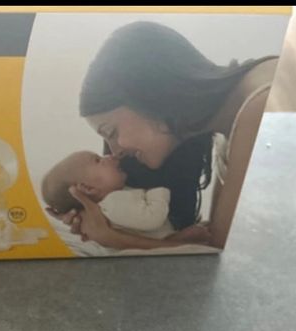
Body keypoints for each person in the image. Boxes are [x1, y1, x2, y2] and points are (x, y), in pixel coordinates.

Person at [50, 21, 278, 251]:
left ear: (148, 97)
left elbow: (221, 250)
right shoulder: (229, 126)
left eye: (111, 132)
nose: (116, 151)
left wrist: (112, 238)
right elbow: (215, 235)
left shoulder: (259, 108)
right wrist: (109, 219)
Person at [41, 150, 173, 238]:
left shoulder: (114, 198)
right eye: (98, 160)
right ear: (88, 188)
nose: (109, 156)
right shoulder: (113, 203)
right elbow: (152, 218)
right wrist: (157, 190)